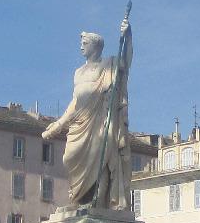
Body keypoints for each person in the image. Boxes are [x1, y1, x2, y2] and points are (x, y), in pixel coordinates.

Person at [42, 16, 133, 211]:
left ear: (95, 46)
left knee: (101, 162)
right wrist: (58, 125)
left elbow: (126, 61)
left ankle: (98, 201)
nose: (81, 47)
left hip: (101, 121)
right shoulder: (78, 72)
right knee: (69, 158)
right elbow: (75, 102)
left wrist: (128, 36)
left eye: (84, 44)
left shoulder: (109, 64)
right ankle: (78, 198)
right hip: (80, 123)